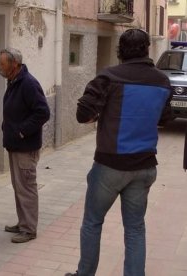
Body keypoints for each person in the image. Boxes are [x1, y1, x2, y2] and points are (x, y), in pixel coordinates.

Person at [65, 29, 173, 276]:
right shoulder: (162, 81)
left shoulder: (109, 77)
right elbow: (165, 118)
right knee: (135, 229)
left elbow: (83, 114)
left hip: (110, 166)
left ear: (120, 50)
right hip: (145, 165)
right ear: (147, 49)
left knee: (92, 222)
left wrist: (100, 113)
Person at [0, 48, 50, 243]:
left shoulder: (28, 83)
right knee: (19, 185)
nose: (0, 67)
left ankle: (29, 229)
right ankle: (23, 222)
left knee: (26, 186)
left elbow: (43, 112)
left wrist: (21, 130)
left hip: (25, 146)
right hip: (15, 145)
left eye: (3, 64)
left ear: (15, 65)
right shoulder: (14, 82)